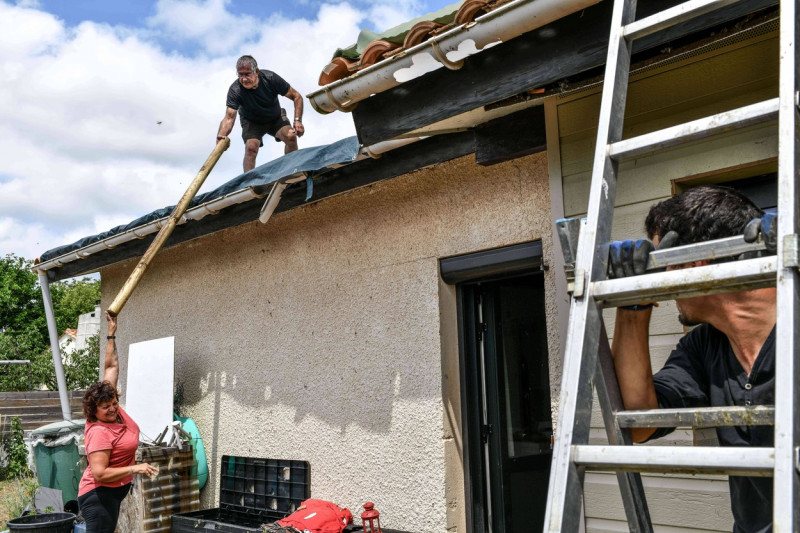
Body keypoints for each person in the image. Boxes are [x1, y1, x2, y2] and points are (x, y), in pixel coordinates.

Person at [608, 185, 776, 533]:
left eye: (659, 261)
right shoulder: (704, 346)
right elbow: (639, 422)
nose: (660, 281)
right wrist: (632, 305)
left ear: (694, 261)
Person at [77, 311, 158, 532]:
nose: (112, 409)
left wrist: (111, 334)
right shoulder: (99, 431)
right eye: (106, 408)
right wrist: (136, 468)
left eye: (114, 403)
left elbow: (111, 367)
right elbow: (100, 473)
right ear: (93, 410)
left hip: (111, 494)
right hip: (97, 495)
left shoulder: (111, 404)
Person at [216, 55, 305, 171]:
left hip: (275, 117)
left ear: (256, 71)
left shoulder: (270, 78)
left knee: (291, 137)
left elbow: (296, 96)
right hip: (252, 121)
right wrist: (221, 136)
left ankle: (293, 172)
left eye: (247, 74)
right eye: (240, 75)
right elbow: (229, 117)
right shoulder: (235, 90)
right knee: (251, 148)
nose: (243, 79)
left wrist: (298, 120)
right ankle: (249, 184)